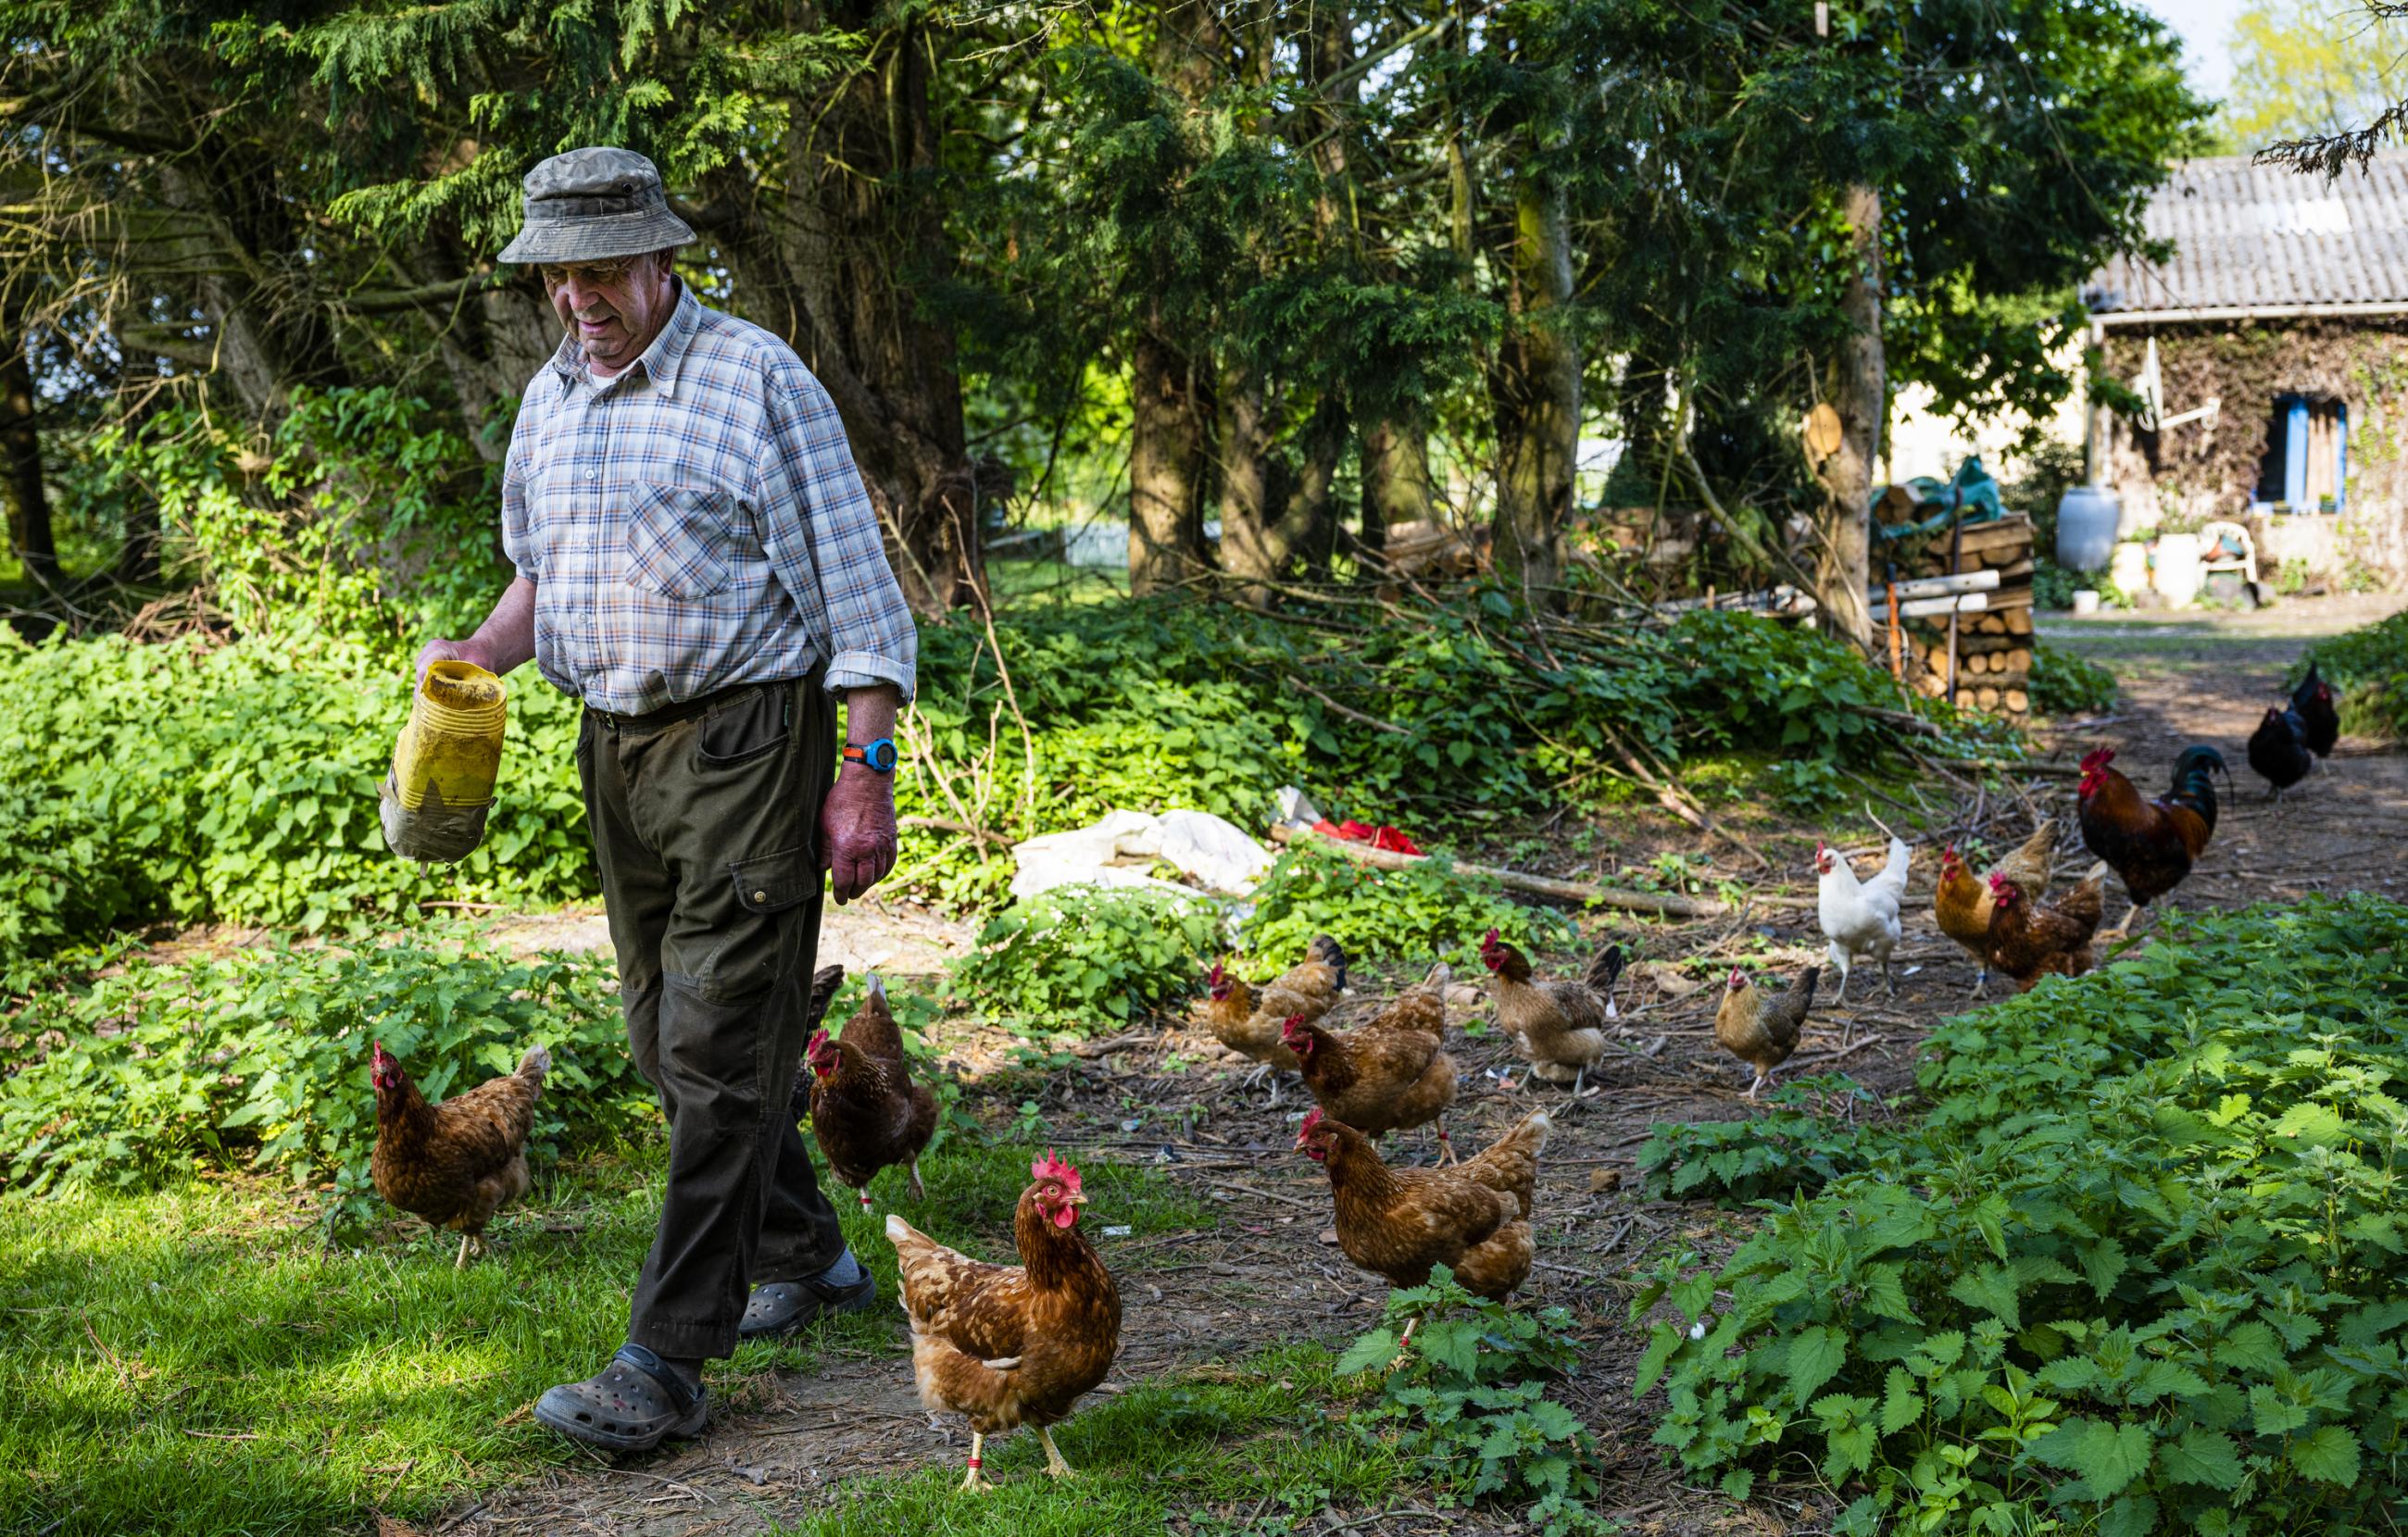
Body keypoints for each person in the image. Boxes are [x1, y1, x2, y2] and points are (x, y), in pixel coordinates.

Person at [416, 146, 919, 1454]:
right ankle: (812, 1254)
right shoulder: (550, 402)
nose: (578, 297)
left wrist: (862, 778)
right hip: (616, 752)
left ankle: (667, 1359)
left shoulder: (757, 383)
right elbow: (544, 582)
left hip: (751, 745)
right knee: (669, 1044)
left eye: (600, 270)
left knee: (714, 1056)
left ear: (660, 258)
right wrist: (464, 668)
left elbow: (863, 599)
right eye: (557, 275)